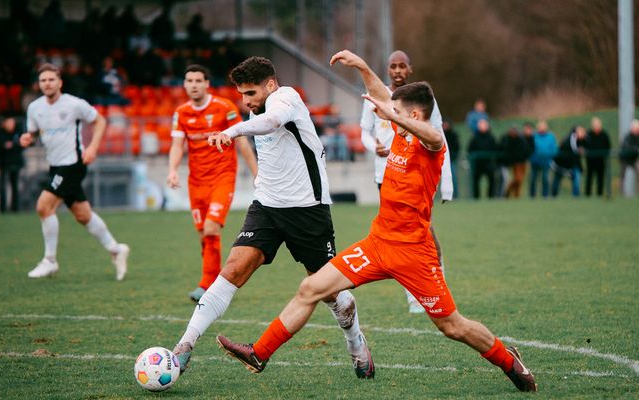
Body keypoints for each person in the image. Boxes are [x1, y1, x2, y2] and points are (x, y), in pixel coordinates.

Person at [216, 50, 537, 393]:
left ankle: (508, 359)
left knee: (452, 325)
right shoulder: (401, 128)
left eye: (397, 113)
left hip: (414, 253)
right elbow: (384, 96)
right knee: (310, 289)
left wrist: (392, 115)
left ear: (413, 114)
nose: (389, 117)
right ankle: (259, 353)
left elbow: (432, 135)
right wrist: (363, 67)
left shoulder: (431, 144)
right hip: (377, 244)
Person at [172, 56, 373, 380]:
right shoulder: (255, 108)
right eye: (241, 95)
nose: (246, 101)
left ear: (270, 84)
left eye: (251, 93)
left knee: (330, 291)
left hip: (308, 210)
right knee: (233, 269)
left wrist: (232, 130)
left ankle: (355, 343)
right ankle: (184, 347)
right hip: (266, 206)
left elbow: (272, 122)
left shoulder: (286, 98)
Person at [359, 50, 453, 314]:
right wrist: (373, 146)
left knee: (423, 230)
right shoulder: (374, 97)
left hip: (417, 174)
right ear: (387, 70)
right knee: (396, 235)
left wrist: (447, 183)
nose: (397, 71)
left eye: (402, 66)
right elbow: (364, 131)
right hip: (386, 175)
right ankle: (413, 296)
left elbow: (437, 138)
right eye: (393, 66)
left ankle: (436, 281)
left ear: (410, 69)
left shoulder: (422, 100)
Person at [20, 63, 130, 280]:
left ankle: (49, 260)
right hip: (55, 165)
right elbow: (33, 133)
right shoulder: (35, 108)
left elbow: (100, 121)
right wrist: (28, 138)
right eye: (43, 80)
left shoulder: (73, 104)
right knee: (82, 214)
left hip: (73, 164)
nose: (47, 84)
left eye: (51, 79)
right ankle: (116, 250)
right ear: (39, 84)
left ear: (59, 82)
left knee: (44, 206)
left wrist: (93, 148)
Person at [167, 64, 258, 302]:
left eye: (198, 80)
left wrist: (257, 173)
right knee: (204, 237)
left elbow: (241, 142)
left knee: (211, 228)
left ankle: (208, 284)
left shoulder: (224, 108)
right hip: (195, 181)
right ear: (184, 84)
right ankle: (216, 281)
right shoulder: (182, 112)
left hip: (222, 176)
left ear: (207, 83)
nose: (194, 85)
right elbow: (177, 145)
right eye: (189, 80)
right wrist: (172, 170)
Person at [0, 116, 24, 212]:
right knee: (2, 187)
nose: (11, 125)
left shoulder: (18, 132)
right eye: (9, 122)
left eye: (12, 122)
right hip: (4, 164)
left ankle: (15, 209)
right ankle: (2, 209)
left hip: (15, 163)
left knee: (15, 186)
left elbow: (21, 145)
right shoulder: (0, 133)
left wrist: (12, 145)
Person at [551, 126, 586, 197]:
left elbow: (587, 145)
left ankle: (576, 196)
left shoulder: (584, 139)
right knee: (557, 180)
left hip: (573, 164)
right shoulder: (570, 138)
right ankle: (553, 196)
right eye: (580, 131)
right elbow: (574, 149)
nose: (583, 133)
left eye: (583, 131)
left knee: (576, 178)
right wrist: (578, 150)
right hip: (561, 164)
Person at [468, 119, 497, 199]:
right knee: (475, 181)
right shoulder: (475, 138)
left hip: (488, 164)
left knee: (492, 180)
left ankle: (491, 197)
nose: (483, 127)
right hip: (477, 164)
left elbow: (495, 149)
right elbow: (470, 149)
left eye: (484, 125)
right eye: (481, 125)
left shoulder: (491, 138)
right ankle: (476, 197)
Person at [529, 120, 557, 198]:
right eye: (540, 127)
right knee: (533, 178)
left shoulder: (551, 136)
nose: (541, 128)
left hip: (546, 160)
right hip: (535, 160)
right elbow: (530, 147)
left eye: (543, 127)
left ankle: (545, 195)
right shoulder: (534, 136)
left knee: (545, 178)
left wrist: (549, 155)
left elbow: (554, 149)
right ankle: (532, 196)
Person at [499, 126, 529, 198]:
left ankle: (516, 194)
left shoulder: (521, 140)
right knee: (518, 179)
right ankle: (508, 191)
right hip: (515, 163)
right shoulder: (507, 139)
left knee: (520, 180)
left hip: (522, 162)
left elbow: (526, 150)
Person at [584, 117, 611, 197]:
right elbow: (584, 145)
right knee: (589, 177)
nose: (596, 126)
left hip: (600, 161)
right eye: (595, 125)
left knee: (600, 178)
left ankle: (599, 194)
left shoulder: (604, 135)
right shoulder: (588, 134)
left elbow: (608, 146)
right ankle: (587, 195)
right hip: (590, 161)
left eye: (598, 125)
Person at [619, 119, 639, 197]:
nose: (637, 130)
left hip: (634, 159)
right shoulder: (627, 136)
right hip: (625, 159)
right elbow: (627, 146)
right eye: (635, 128)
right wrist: (635, 149)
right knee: (622, 176)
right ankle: (622, 193)